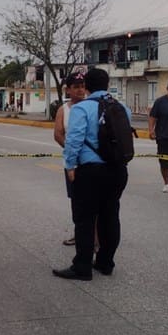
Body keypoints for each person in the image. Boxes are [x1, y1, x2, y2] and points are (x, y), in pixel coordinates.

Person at [54, 68, 130, 281]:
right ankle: (106, 263)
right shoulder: (122, 107)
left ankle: (82, 267)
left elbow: (74, 140)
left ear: (86, 86)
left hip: (90, 172)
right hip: (117, 170)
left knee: (85, 219)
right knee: (110, 216)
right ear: (106, 85)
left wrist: (70, 166)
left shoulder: (83, 108)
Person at [53, 71, 88, 247]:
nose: (81, 90)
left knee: (92, 201)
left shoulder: (92, 106)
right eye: (76, 87)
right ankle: (78, 232)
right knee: (76, 200)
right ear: (68, 90)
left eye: (82, 86)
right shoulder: (64, 109)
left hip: (91, 163)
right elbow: (58, 134)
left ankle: (95, 237)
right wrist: (72, 151)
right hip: (72, 163)